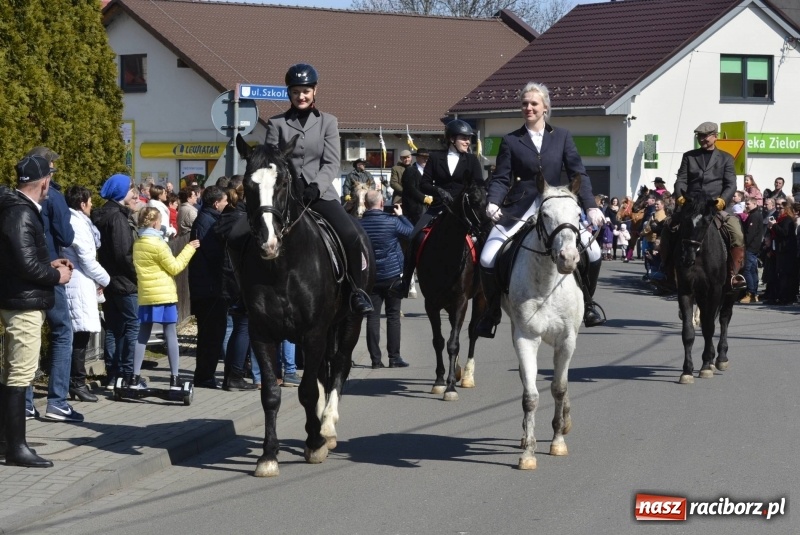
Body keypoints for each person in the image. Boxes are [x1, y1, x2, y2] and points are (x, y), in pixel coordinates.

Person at [477, 82, 606, 336]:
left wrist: (590, 206)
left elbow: (578, 173)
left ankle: (589, 303)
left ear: (545, 107)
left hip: (556, 206)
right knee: (487, 256)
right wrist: (493, 202)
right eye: (525, 103)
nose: (529, 108)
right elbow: (502, 177)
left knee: (593, 252)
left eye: (534, 103)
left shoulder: (562, 137)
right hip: (521, 205)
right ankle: (492, 311)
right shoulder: (511, 140)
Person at [265, 63, 373, 314]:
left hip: (320, 194)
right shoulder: (276, 124)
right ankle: (243, 295)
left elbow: (332, 162)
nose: (300, 96)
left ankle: (357, 292)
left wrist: (315, 186)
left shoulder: (328, 122)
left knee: (351, 236)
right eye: (295, 92)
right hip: (286, 196)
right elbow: (271, 162)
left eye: (305, 91)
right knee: (244, 233)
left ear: (315, 91)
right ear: (288, 94)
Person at [0, 155, 72, 468]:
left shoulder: (15, 208)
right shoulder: (20, 212)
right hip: (23, 303)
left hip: (18, 298)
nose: (50, 187)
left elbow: (19, 260)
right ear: (43, 182)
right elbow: (24, 264)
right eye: (49, 181)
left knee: (13, 371)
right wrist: (57, 275)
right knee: (21, 373)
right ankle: (16, 448)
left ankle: (7, 441)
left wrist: (48, 265)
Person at [399, 120, 485, 297]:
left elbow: (479, 184)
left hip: (465, 209)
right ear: (452, 139)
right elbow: (424, 184)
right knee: (415, 235)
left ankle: (486, 284)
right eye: (464, 138)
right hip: (440, 206)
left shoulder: (471, 159)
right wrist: (438, 190)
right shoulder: (435, 158)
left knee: (485, 236)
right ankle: (405, 282)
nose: (468, 141)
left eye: (469, 138)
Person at [26, 147, 81, 423]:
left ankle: (24, 403)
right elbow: (66, 235)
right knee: (62, 331)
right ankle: (57, 402)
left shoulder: (15, 198)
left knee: (28, 334)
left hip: (24, 273)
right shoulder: (54, 197)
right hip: (50, 270)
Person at [661, 121, 746, 291]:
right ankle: (667, 272)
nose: (702, 139)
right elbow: (681, 180)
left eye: (706, 136)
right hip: (691, 205)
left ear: (715, 136)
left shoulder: (726, 158)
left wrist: (722, 200)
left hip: (714, 206)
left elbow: (731, 185)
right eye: (699, 136)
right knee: (668, 228)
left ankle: (732, 274)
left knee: (736, 232)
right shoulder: (689, 156)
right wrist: (680, 197)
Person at [131, 208, 199, 390]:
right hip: (164, 294)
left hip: (147, 294)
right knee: (170, 335)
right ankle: (174, 377)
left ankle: (134, 376)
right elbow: (175, 267)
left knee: (142, 335)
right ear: (155, 223)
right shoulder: (158, 244)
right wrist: (189, 249)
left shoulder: (138, 243)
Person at [93, 174, 139, 390]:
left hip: (109, 279)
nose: (135, 192)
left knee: (113, 328)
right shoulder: (117, 218)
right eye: (131, 188)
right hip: (124, 282)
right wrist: (136, 274)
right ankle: (128, 375)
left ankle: (113, 374)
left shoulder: (103, 214)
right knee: (131, 326)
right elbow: (123, 254)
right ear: (121, 192)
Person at [63, 186, 110, 403]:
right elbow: (88, 260)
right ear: (82, 204)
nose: (92, 205)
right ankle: (77, 383)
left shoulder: (80, 221)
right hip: (78, 282)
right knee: (79, 337)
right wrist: (105, 279)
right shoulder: (77, 223)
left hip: (81, 281)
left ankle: (75, 382)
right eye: (90, 202)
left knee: (79, 336)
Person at [359, 190, 413, 368]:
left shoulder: (359, 225)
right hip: (392, 275)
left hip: (370, 277)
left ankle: (375, 360)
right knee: (393, 316)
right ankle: (394, 357)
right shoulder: (392, 222)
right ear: (382, 204)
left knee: (372, 318)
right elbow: (411, 233)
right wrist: (402, 216)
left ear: (366, 205)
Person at [214, 181, 259, 391]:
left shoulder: (226, 217)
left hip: (227, 278)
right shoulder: (244, 220)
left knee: (236, 329)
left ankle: (230, 376)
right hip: (240, 280)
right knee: (243, 328)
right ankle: (235, 376)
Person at [189, 185, 229, 389]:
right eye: (224, 201)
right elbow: (214, 255)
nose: (227, 204)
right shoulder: (207, 222)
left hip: (210, 287)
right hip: (209, 288)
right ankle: (204, 376)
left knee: (213, 333)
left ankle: (206, 374)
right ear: (216, 203)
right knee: (210, 335)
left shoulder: (209, 219)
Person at [766, 200, 797, 305]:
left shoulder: (787, 219)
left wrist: (774, 226)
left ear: (786, 209)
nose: (778, 209)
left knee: (786, 275)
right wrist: (772, 227)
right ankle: (779, 296)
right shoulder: (780, 219)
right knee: (780, 275)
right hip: (779, 250)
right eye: (778, 207)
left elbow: (784, 233)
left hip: (786, 251)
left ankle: (787, 297)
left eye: (781, 208)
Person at [739, 197, 764, 304]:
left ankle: (751, 293)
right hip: (753, 247)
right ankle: (753, 292)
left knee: (747, 270)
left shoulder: (754, 216)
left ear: (754, 204)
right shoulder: (753, 215)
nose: (746, 206)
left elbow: (750, 234)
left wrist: (744, 245)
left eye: (748, 204)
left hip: (750, 247)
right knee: (753, 270)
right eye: (746, 204)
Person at [400, 147, 431, 226]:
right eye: (423, 157)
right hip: (415, 208)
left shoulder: (429, 172)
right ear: (417, 158)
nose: (426, 160)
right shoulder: (410, 170)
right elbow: (410, 189)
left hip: (428, 207)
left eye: (427, 158)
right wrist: (424, 198)